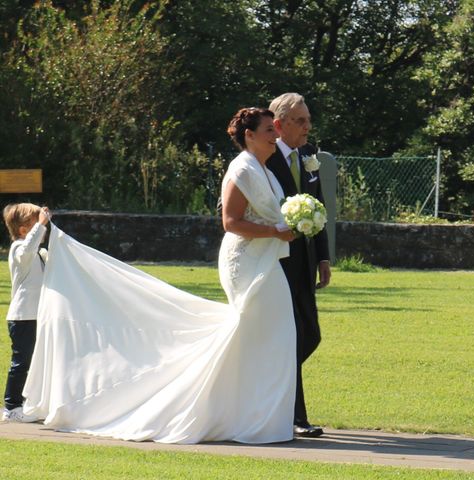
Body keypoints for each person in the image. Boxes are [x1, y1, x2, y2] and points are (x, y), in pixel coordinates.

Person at [22, 108, 298, 444]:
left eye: (274, 129)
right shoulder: (242, 168)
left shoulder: (267, 171)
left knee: (274, 334)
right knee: (255, 330)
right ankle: (229, 413)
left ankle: (254, 415)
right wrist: (274, 231)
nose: (275, 134)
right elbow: (230, 221)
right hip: (246, 262)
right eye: (269, 129)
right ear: (250, 135)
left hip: (266, 261)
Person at [266, 93, 331, 437]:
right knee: (292, 337)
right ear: (278, 126)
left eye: (308, 119)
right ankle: (296, 418)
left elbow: (317, 207)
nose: (308, 127)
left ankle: (265, 383)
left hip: (304, 261)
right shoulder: (263, 156)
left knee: (311, 334)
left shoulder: (309, 155)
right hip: (274, 262)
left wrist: (322, 256)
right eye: (300, 121)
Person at [2, 203, 50, 423]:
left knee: (35, 361)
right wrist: (40, 225)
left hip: (37, 316)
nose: (43, 227)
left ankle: (28, 402)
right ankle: (11, 406)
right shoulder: (19, 249)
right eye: (34, 223)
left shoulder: (39, 253)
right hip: (22, 317)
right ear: (23, 230)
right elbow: (26, 250)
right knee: (22, 362)